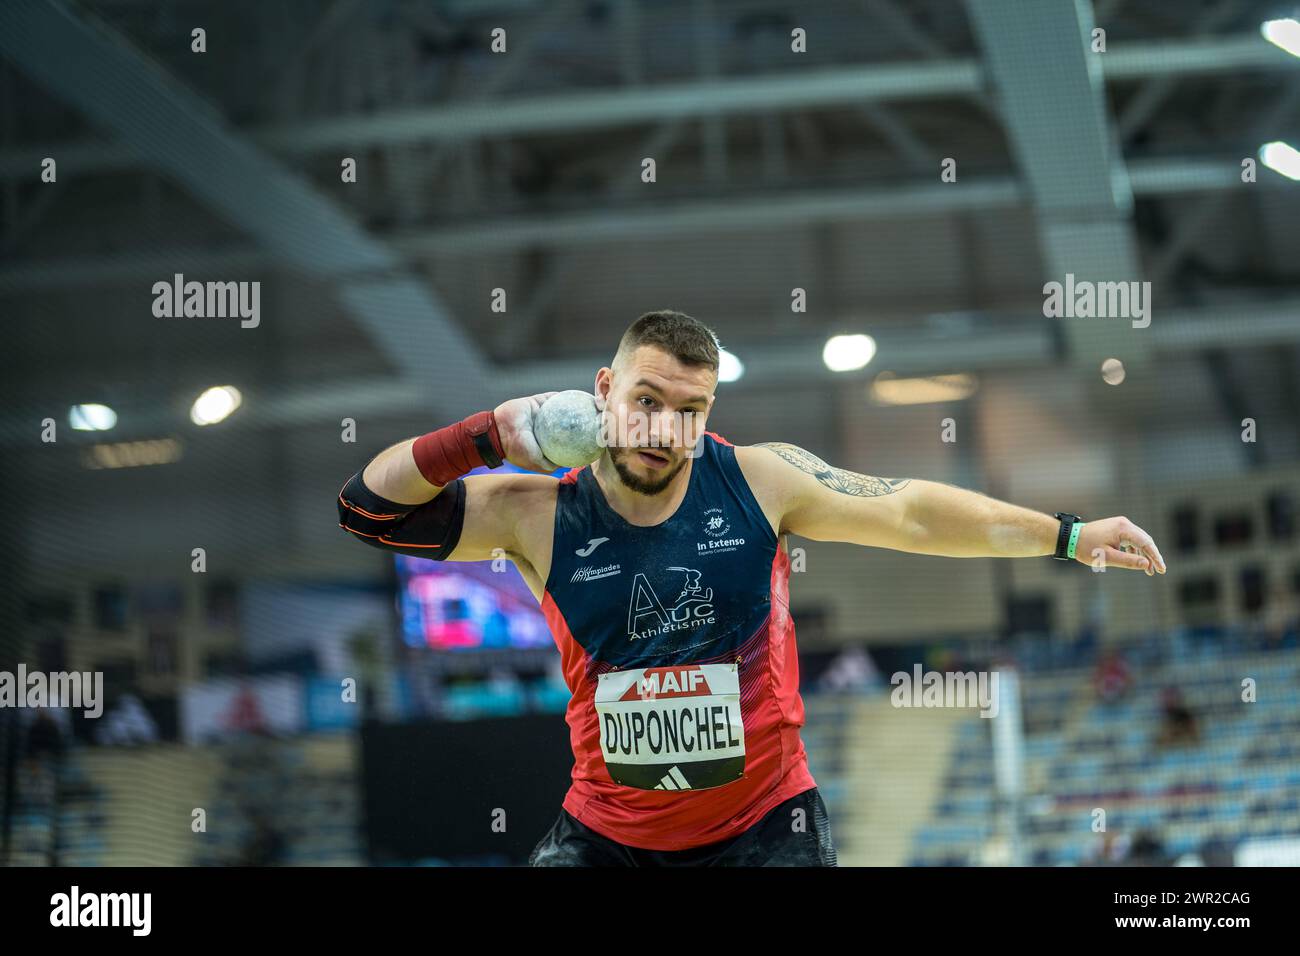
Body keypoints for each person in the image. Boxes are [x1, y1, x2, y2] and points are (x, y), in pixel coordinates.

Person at [337, 309, 1167, 867]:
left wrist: (1067, 535)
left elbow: (910, 510)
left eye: (689, 410)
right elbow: (367, 509)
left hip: (768, 830)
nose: (664, 429)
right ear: (602, 391)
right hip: (608, 835)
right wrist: (485, 435)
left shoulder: (759, 480)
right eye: (646, 400)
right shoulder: (534, 512)